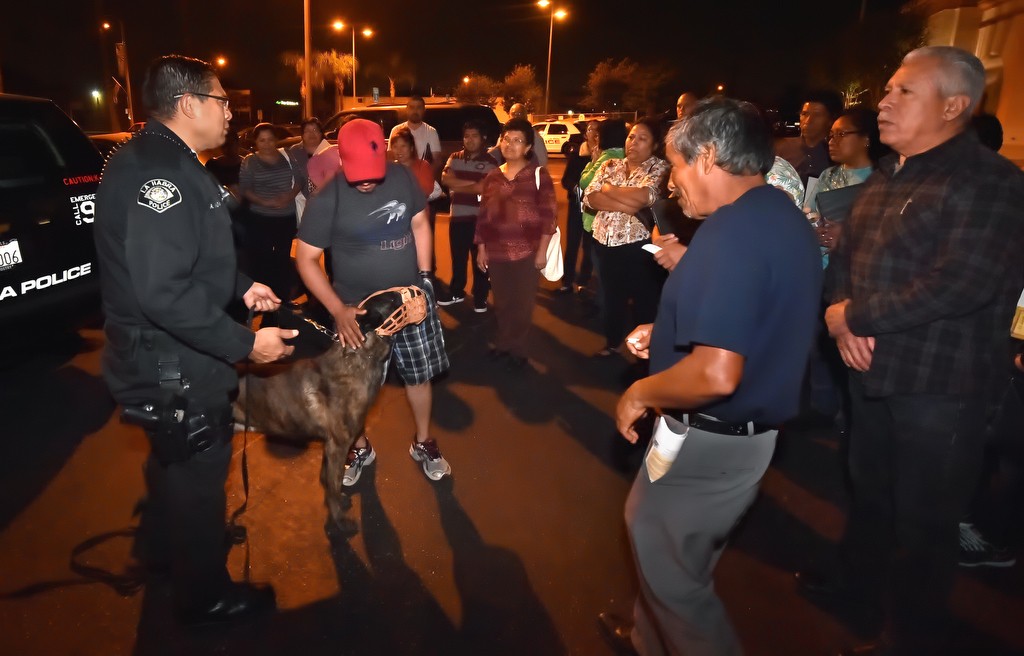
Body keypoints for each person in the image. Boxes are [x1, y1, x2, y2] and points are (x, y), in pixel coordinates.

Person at [799, 46, 1024, 655]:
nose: (884, 102)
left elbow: (962, 282)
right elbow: (845, 259)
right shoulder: (890, 175)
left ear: (954, 106)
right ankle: (858, 596)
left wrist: (855, 314)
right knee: (869, 496)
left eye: (904, 92)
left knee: (924, 526)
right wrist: (839, 319)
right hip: (870, 373)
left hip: (940, 389)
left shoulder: (991, 183)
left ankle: (911, 638)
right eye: (888, 89)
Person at [600, 97, 822, 656]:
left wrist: (640, 391)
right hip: (744, 439)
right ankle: (648, 641)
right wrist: (668, 327)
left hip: (709, 438)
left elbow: (718, 373)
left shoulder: (731, 235)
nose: (672, 183)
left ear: (707, 156)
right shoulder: (774, 213)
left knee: (668, 566)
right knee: (679, 556)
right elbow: (756, 314)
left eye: (675, 165)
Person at [93, 54, 297, 625]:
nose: (230, 112)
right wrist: (245, 344)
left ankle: (176, 551)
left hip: (174, 355)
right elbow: (162, 293)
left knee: (174, 471)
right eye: (221, 100)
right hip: (172, 364)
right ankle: (203, 595)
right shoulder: (160, 175)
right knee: (197, 480)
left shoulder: (172, 160)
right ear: (188, 105)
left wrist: (242, 285)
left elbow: (187, 262)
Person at [296, 118, 452, 485]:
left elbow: (418, 223)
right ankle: (360, 448)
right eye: (358, 173)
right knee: (354, 389)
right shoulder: (329, 196)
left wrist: (426, 279)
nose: (366, 180)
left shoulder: (400, 177)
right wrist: (337, 309)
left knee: (419, 376)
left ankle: (424, 441)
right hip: (358, 312)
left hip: (410, 300)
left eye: (372, 172)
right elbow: (306, 259)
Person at [474, 118, 557, 369]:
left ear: (529, 147)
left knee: (522, 305)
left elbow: (549, 215)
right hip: (497, 250)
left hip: (527, 251)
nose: (510, 144)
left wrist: (542, 251)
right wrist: (481, 248)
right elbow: (483, 215)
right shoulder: (491, 177)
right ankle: (503, 343)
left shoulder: (538, 175)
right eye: (506, 139)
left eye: (517, 140)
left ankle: (518, 350)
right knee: (502, 302)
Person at [583, 117, 669, 357]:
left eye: (643, 139)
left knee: (644, 299)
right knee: (611, 297)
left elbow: (644, 198)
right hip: (604, 242)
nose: (634, 142)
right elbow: (590, 198)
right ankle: (612, 343)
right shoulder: (610, 164)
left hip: (639, 246)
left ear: (653, 146)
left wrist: (609, 190)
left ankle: (645, 350)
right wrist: (626, 202)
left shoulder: (659, 167)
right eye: (632, 136)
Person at [437, 120, 498, 311]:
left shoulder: (491, 162)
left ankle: (480, 297)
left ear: (483, 138)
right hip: (458, 217)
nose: (470, 140)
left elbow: (485, 188)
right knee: (458, 257)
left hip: (481, 219)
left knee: (481, 260)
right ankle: (457, 291)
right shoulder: (455, 157)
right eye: (466, 136)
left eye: (474, 136)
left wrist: (458, 184)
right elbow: (445, 179)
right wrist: (473, 185)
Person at [239, 123, 302, 301]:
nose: (267, 144)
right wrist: (266, 202)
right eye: (262, 140)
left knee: (282, 259)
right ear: (256, 142)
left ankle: (283, 300)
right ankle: (265, 301)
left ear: (276, 140)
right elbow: (245, 189)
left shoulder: (286, 155)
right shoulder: (250, 160)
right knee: (264, 261)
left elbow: (299, 180)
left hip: (285, 217)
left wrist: (288, 197)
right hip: (261, 218)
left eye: (270, 140)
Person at [558, 119, 598, 294]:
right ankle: (567, 281)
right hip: (576, 206)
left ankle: (584, 280)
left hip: (594, 208)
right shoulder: (577, 155)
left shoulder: (604, 158)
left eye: (598, 131)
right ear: (585, 134)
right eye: (590, 130)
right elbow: (565, 180)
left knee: (589, 246)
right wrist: (576, 188)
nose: (594, 134)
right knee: (572, 243)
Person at [775, 90, 843, 185]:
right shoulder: (780, 147)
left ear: (830, 120)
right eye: (804, 114)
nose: (808, 120)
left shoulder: (837, 153)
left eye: (817, 115)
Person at [389, 95, 442, 172]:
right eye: (412, 107)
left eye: (419, 107)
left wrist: (424, 175)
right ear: (407, 109)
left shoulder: (431, 132)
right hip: (400, 174)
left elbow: (437, 161)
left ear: (424, 110)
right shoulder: (396, 130)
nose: (415, 111)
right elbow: (390, 157)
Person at [390, 126, 442, 201]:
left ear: (411, 148)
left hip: (419, 209)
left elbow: (424, 192)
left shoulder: (423, 166)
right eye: (395, 147)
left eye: (403, 146)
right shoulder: (391, 168)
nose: (399, 150)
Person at [287, 117, 332, 203]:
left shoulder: (330, 151)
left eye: (315, 130)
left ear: (321, 133)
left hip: (326, 201)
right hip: (301, 202)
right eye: (307, 131)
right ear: (302, 134)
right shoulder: (294, 152)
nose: (311, 134)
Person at [488, 102, 548, 167]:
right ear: (509, 116)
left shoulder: (534, 137)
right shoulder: (505, 133)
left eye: (520, 114)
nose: (516, 116)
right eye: (514, 114)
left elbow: (542, 162)